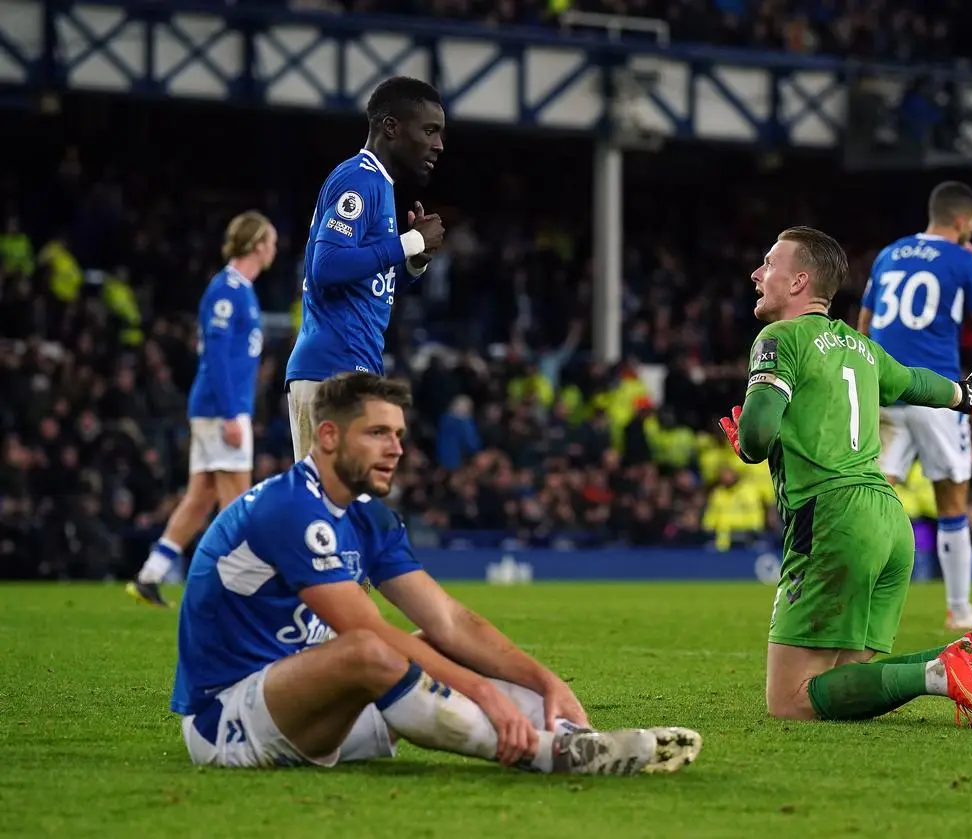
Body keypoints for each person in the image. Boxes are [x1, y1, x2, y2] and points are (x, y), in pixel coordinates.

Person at [171, 371, 702, 773]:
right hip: (229, 722)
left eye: (399, 434)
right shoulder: (288, 508)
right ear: (328, 436)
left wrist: (547, 681)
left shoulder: (366, 514)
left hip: (322, 707)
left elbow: (451, 621)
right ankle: (548, 754)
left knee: (437, 644)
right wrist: (485, 693)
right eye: (377, 433)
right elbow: (369, 632)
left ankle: (573, 733)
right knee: (370, 648)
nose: (396, 449)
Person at [718, 226, 972, 726]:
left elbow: (756, 434)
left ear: (798, 282)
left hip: (833, 519)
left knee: (790, 701)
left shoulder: (778, 338)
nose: (756, 273)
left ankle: (941, 672)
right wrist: (968, 397)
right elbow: (912, 381)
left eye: (769, 263)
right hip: (889, 522)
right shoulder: (858, 347)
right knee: (838, 689)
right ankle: (962, 660)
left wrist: (753, 441)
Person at [857, 181, 972, 631]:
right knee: (952, 496)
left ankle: (852, 596)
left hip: (885, 388)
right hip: (939, 393)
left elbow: (863, 326)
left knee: (870, 496)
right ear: (962, 221)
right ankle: (959, 609)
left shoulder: (888, 254)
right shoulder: (963, 259)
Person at [285, 76, 448, 461]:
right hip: (333, 368)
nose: (439, 145)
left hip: (350, 367)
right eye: (429, 130)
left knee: (342, 508)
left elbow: (368, 282)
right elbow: (326, 266)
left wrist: (414, 261)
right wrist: (411, 241)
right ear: (391, 127)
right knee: (328, 508)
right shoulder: (361, 180)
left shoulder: (380, 186)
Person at [127, 211, 276, 607]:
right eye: (272, 241)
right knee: (236, 501)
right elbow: (216, 356)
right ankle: (239, 587)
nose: (275, 248)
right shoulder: (228, 289)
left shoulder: (240, 289)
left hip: (217, 408)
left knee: (200, 498)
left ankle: (150, 575)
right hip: (220, 410)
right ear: (258, 244)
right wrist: (231, 414)